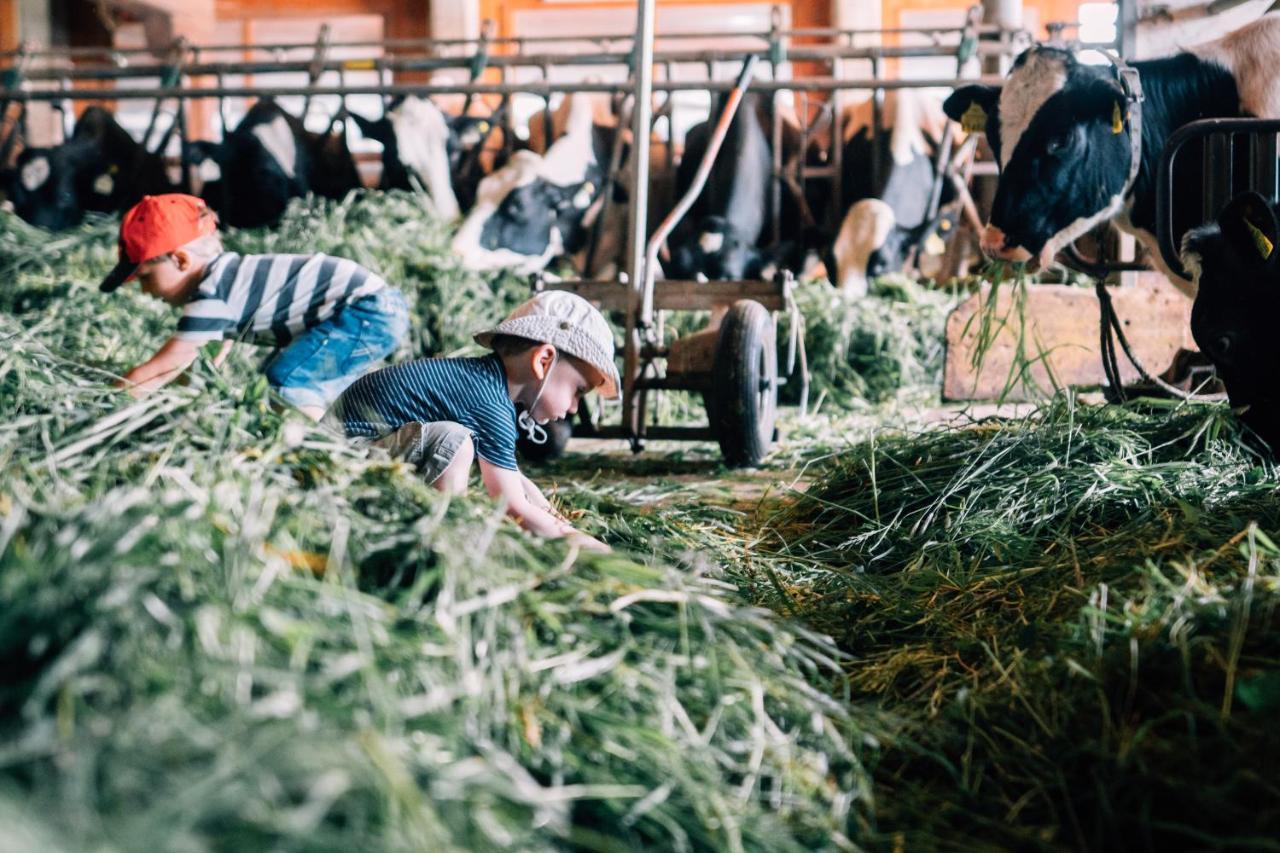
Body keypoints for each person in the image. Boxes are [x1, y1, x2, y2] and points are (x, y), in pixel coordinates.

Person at [325, 290, 619, 552]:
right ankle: (448, 539)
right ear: (543, 360)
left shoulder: (484, 383)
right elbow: (511, 504)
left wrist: (556, 518)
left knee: (457, 442)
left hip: (350, 450)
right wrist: (581, 546)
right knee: (455, 442)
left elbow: (513, 478)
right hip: (339, 460)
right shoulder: (489, 402)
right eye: (578, 391)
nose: (572, 408)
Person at [99, 193, 408, 420]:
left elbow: (161, 369)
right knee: (281, 382)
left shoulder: (213, 295)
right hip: (370, 310)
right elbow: (202, 363)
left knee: (288, 384)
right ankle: (354, 435)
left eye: (145, 277)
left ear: (181, 260)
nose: (143, 290)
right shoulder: (231, 278)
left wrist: (104, 403)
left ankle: (319, 452)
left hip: (365, 312)